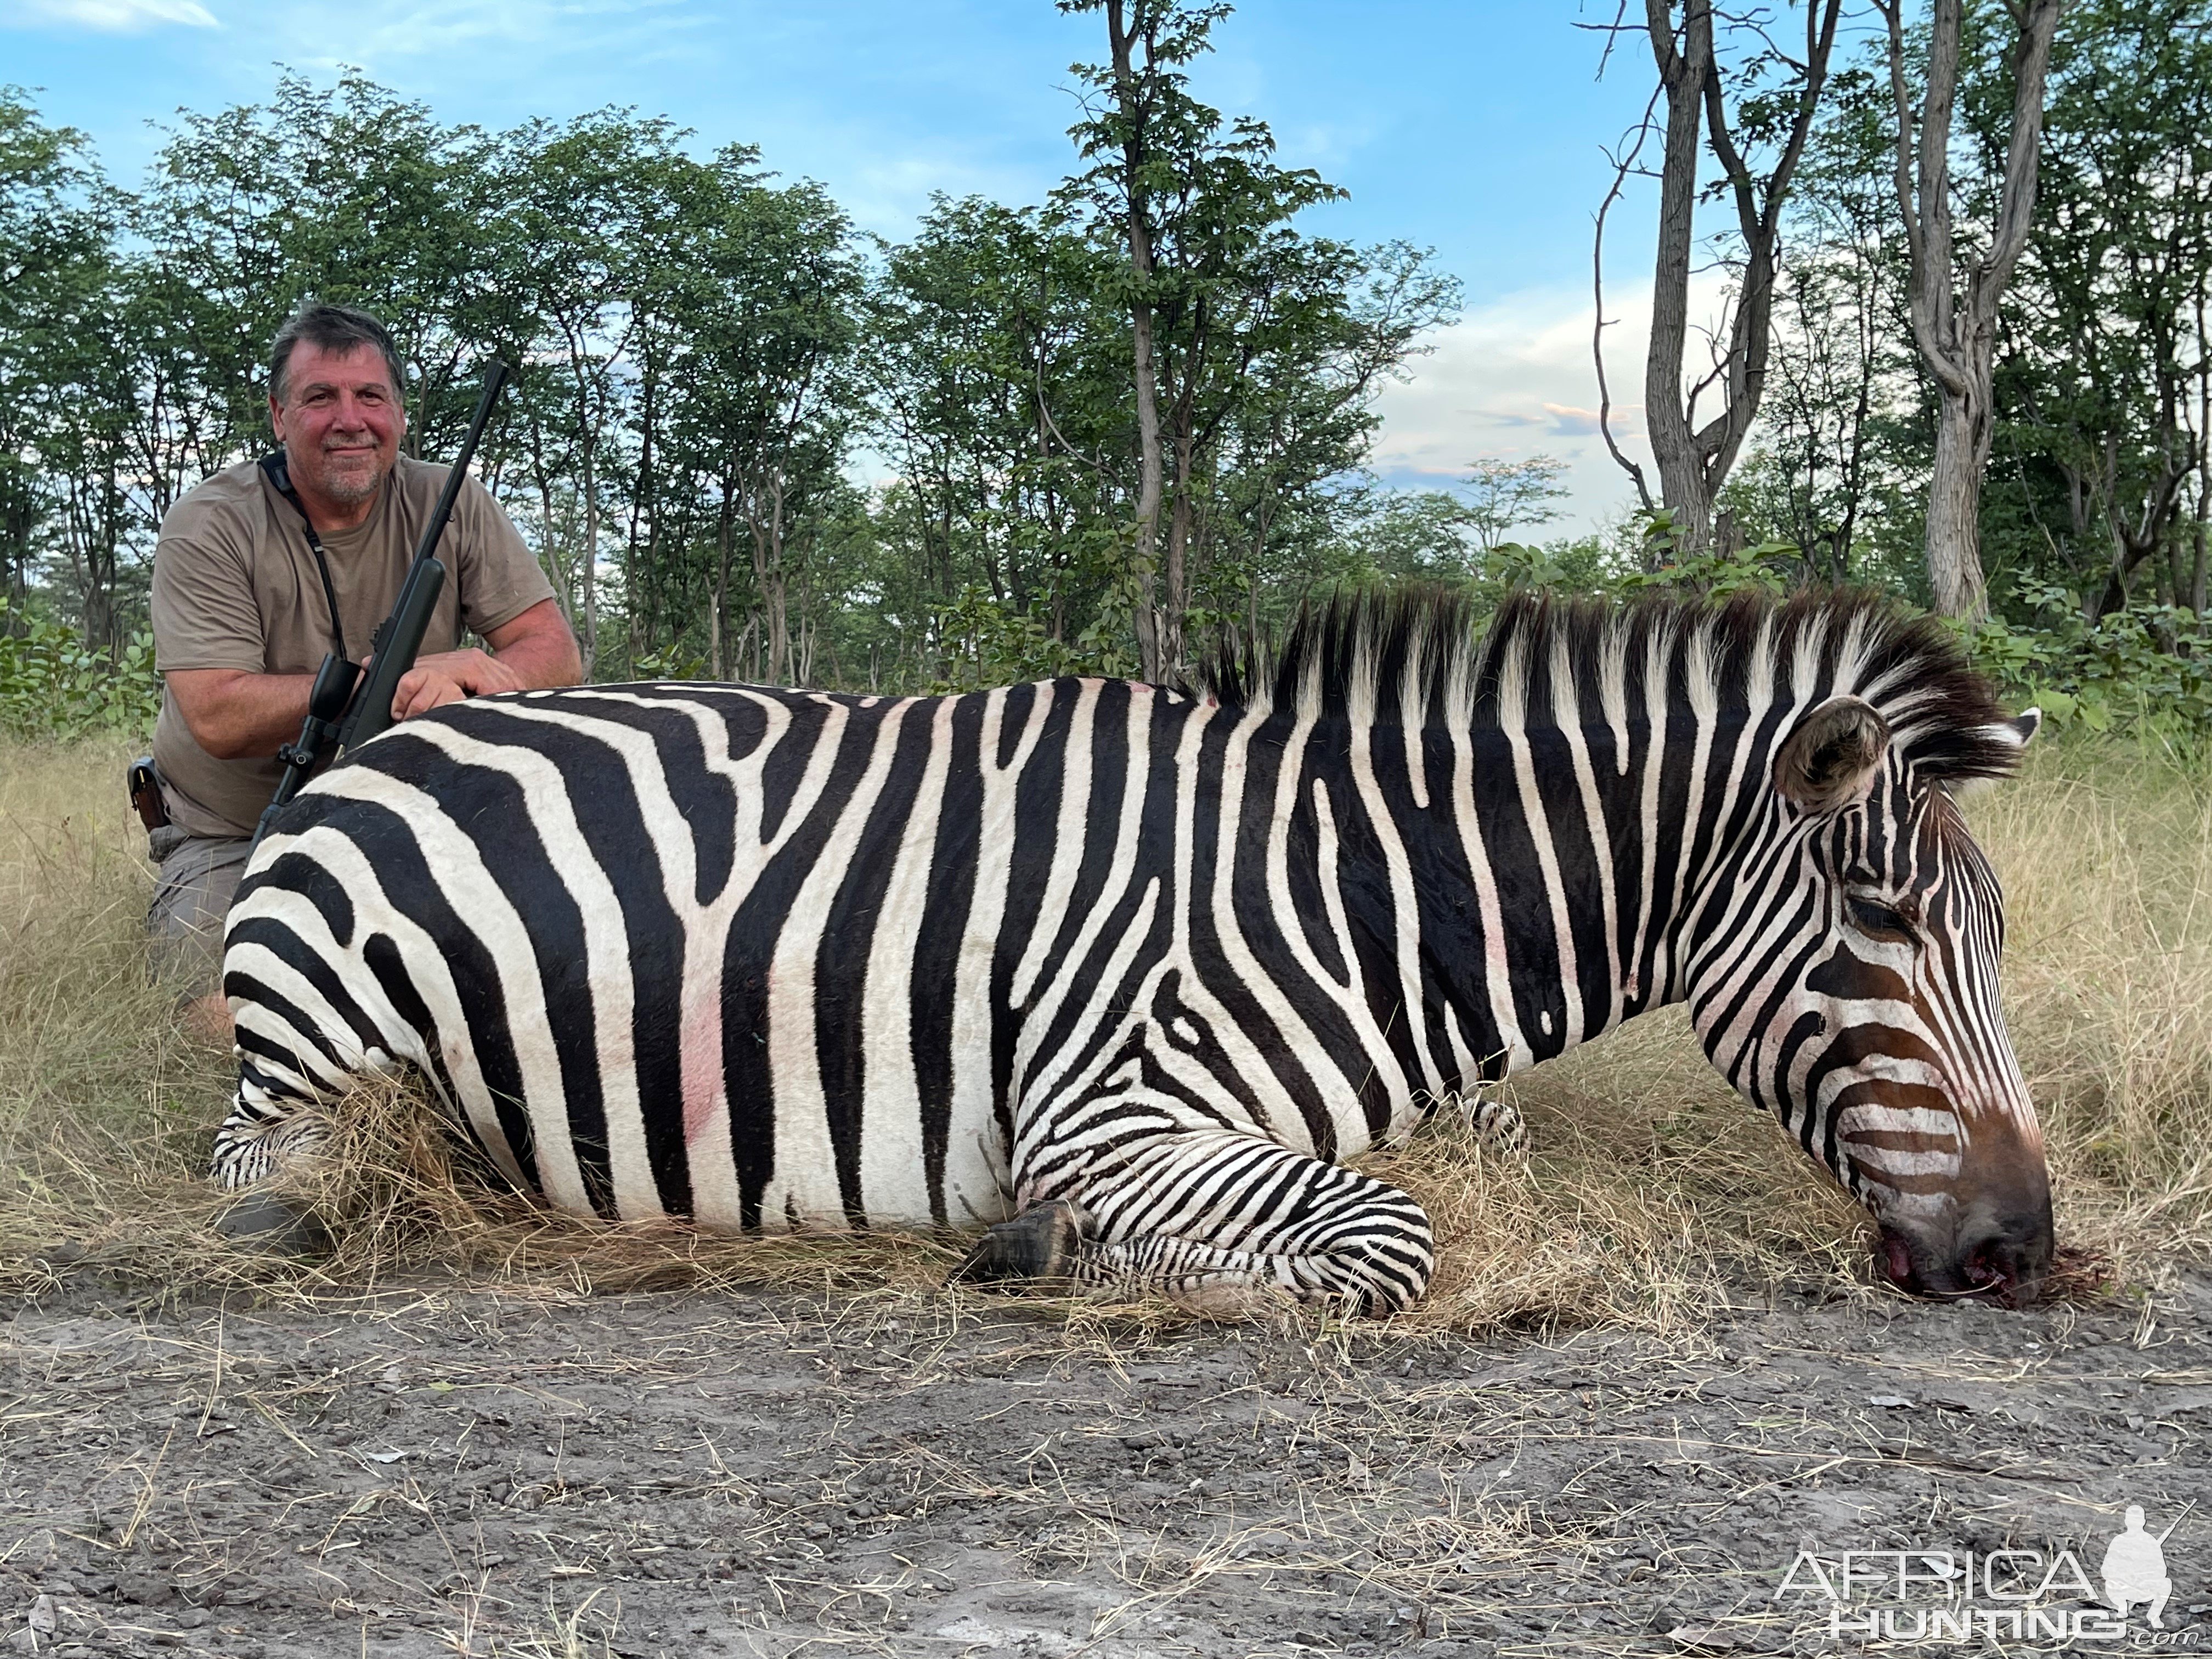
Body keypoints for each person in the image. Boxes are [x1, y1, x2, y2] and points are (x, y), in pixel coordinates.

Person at [145, 303, 582, 1036]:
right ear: (279, 416)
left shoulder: (454, 500)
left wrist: (472, 673)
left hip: (418, 817)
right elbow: (218, 716)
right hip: (238, 829)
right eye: (321, 398)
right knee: (225, 1018)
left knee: (542, 981)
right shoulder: (211, 523)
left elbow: (555, 654)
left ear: (400, 416)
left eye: (370, 397)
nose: (351, 419)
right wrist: (380, 682)